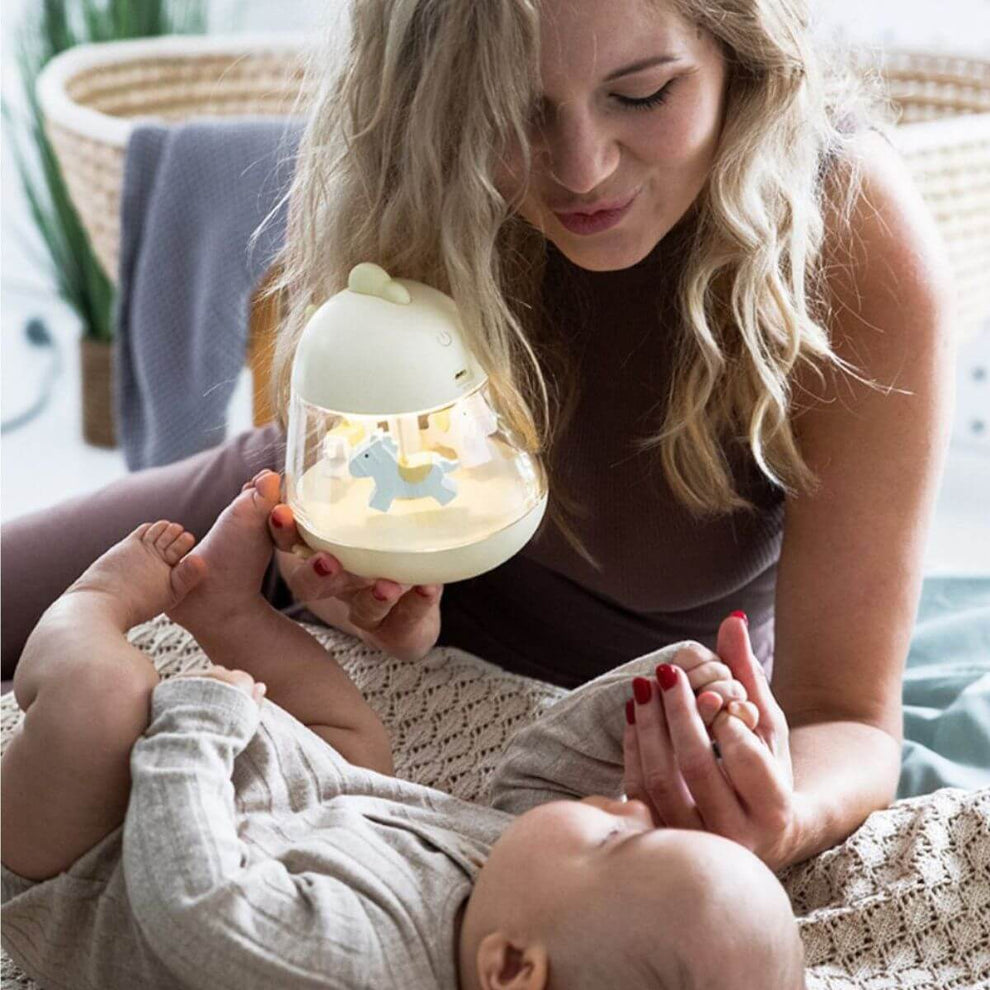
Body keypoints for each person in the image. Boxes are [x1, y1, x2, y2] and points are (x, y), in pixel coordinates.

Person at [0, 0, 954, 872]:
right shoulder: (416, 168)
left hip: (593, 707)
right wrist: (361, 588)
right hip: (272, 541)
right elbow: (366, 481)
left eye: (642, 94)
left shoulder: (848, 233)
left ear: (740, 57)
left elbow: (848, 719)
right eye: (512, 112)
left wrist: (782, 819)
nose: (581, 169)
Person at [1, 471, 805, 990]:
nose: (628, 805)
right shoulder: (520, 900)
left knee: (107, 700)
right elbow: (535, 780)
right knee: (357, 748)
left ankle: (86, 612)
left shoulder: (352, 964)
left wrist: (199, 726)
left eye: (620, 840)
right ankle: (228, 613)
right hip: (291, 813)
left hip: (102, 860)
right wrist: (652, 690)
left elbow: (195, 902)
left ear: (512, 969)